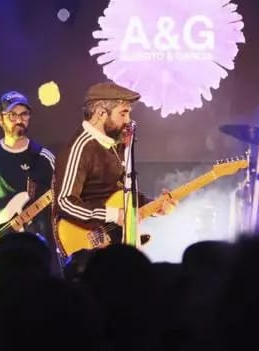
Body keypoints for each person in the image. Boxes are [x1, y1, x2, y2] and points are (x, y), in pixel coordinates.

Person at [52, 81, 175, 259]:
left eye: (128, 114)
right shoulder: (80, 148)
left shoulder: (113, 144)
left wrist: (154, 206)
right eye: (123, 114)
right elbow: (65, 202)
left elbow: (118, 194)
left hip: (116, 245)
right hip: (88, 251)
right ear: (101, 113)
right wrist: (113, 215)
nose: (128, 120)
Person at [0, 91, 55, 266]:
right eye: (12, 115)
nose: (19, 120)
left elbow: (61, 194)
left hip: (28, 245)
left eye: (24, 114)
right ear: (0, 119)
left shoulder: (44, 157)